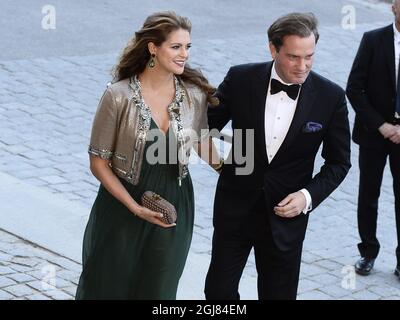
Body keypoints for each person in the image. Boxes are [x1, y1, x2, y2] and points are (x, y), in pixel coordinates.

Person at [204, 12, 351, 300]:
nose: (302, 66)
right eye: (294, 57)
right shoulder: (241, 78)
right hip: (235, 210)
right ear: (273, 49)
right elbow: (204, 125)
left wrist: (306, 197)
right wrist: (219, 163)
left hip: (285, 220)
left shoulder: (331, 97)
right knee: (217, 292)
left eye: (309, 56)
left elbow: (339, 163)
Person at [75, 11, 220, 299]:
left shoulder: (193, 93)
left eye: (188, 47)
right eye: (176, 47)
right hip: (122, 204)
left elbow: (200, 141)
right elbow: (98, 162)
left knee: (159, 291)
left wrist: (229, 170)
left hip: (175, 204)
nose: (184, 55)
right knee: (110, 286)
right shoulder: (118, 96)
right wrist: (134, 207)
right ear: (153, 47)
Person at [346, 0, 400, 277]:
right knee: (369, 195)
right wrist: (381, 125)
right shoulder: (373, 40)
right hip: (373, 135)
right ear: (394, 6)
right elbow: (354, 88)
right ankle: (368, 252)